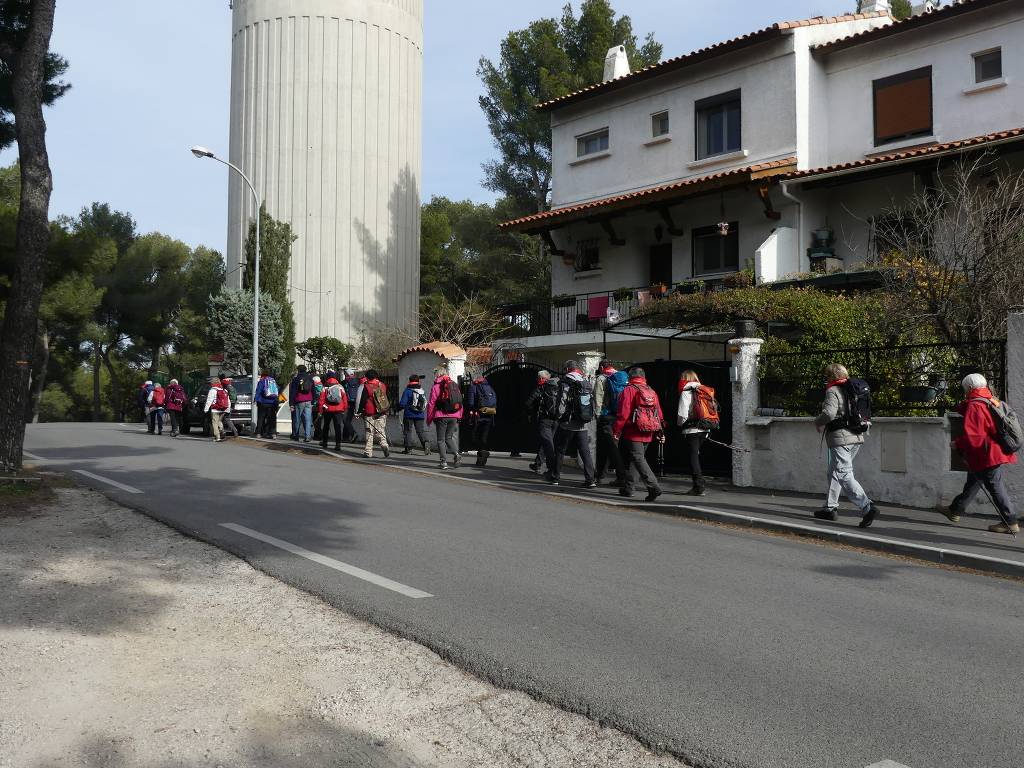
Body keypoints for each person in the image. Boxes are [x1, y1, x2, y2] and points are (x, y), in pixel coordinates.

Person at [939, 373, 1020, 534]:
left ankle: (1010, 521)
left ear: (969, 388)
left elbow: (975, 435)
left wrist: (958, 443)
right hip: (992, 450)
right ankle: (955, 510)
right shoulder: (991, 400)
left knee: (994, 486)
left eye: (965, 389)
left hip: (986, 453)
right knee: (974, 480)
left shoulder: (975, 405)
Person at [813, 363, 880, 528]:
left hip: (841, 438)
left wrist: (817, 421)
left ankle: (867, 507)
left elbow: (829, 413)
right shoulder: (852, 389)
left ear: (831, 377)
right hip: (857, 436)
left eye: (827, 376)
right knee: (834, 471)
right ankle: (830, 508)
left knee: (844, 474)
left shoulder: (832, 391)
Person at [613, 367, 664, 502]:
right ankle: (628, 488)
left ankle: (653, 487)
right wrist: (660, 430)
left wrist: (616, 431)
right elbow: (658, 412)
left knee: (638, 459)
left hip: (633, 430)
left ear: (630, 377)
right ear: (643, 377)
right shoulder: (651, 390)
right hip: (649, 430)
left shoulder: (628, 390)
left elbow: (623, 414)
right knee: (636, 459)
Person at [549, 360, 596, 487]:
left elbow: (562, 401)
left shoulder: (565, 381)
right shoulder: (585, 380)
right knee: (585, 451)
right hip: (582, 422)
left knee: (560, 450)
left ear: (567, 369)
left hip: (568, 422)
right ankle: (590, 479)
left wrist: (559, 416)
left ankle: (555, 477)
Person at [594, 360, 628, 487]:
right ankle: (601, 475)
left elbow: (598, 399)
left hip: (606, 416)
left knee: (606, 447)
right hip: (619, 416)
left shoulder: (601, 378)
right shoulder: (620, 376)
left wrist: (597, 416)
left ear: (602, 367)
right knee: (613, 446)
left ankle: (618, 477)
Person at [677, 370, 710, 496]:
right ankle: (699, 484)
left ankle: (698, 486)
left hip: (692, 429)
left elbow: (682, 414)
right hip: (705, 428)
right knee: (696, 455)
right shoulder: (703, 390)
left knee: (693, 457)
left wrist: (680, 424)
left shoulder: (686, 391)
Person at [426, 366, 463, 470]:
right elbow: (460, 402)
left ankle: (444, 462)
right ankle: (456, 454)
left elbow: (431, 403)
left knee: (441, 440)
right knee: (449, 437)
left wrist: (429, 418)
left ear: (437, 374)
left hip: (441, 416)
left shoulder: (436, 386)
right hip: (454, 415)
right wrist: (459, 415)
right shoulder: (454, 385)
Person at [525, 370, 559, 475]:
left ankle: (552, 469)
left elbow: (528, 403)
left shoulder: (541, 388)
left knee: (548, 444)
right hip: (556, 419)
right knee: (546, 442)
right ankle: (538, 463)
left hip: (545, 420)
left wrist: (530, 413)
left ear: (541, 378)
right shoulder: (558, 387)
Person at [355, 369, 391, 459]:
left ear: (367, 377)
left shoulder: (367, 387)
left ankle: (368, 452)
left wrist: (359, 411)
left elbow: (363, 400)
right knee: (380, 430)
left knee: (369, 432)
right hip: (382, 412)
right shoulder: (382, 385)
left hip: (369, 412)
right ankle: (384, 445)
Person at [466, 375, 497, 466]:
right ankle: (481, 458)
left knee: (474, 437)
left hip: (478, 415)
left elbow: (471, 403)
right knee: (484, 436)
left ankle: (482, 454)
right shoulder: (489, 387)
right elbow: (495, 401)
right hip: (489, 414)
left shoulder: (473, 387)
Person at [399, 375, 430, 455]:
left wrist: (399, 407)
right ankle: (425, 444)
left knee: (408, 431)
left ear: (409, 381)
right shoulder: (421, 391)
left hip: (409, 414)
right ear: (418, 381)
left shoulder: (408, 390)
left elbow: (402, 403)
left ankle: (408, 449)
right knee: (420, 431)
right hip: (420, 414)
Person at [317, 374, 349, 451]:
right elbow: (344, 399)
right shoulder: (340, 387)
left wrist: (320, 411)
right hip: (339, 410)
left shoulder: (325, 387)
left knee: (326, 426)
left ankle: (325, 442)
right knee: (337, 427)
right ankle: (338, 444)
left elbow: (321, 400)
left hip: (327, 409)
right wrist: (345, 409)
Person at [289, 365, 315, 443]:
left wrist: (291, 403)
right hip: (308, 401)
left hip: (299, 401)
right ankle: (307, 436)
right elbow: (313, 390)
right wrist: (313, 400)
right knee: (308, 419)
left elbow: (293, 392)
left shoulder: (296, 379)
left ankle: (295, 435)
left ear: (298, 370)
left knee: (297, 419)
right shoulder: (310, 378)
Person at [253, 369, 280, 439]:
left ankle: (258, 433)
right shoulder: (273, 381)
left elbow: (258, 391)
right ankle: (273, 434)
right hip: (273, 403)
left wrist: (255, 400)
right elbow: (277, 391)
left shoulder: (262, 381)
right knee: (272, 418)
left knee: (261, 418)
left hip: (263, 402)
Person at [203, 376, 229, 442]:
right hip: (223, 409)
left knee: (214, 422)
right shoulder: (224, 390)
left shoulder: (212, 390)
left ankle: (217, 437)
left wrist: (206, 409)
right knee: (219, 421)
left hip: (215, 409)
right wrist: (227, 408)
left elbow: (209, 400)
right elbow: (228, 400)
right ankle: (222, 431)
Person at [342, 368, 362, 444]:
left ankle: (352, 434)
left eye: (345, 374)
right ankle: (345, 437)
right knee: (347, 420)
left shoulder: (344, 382)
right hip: (356, 402)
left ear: (347, 374)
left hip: (347, 403)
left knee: (345, 420)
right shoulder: (358, 381)